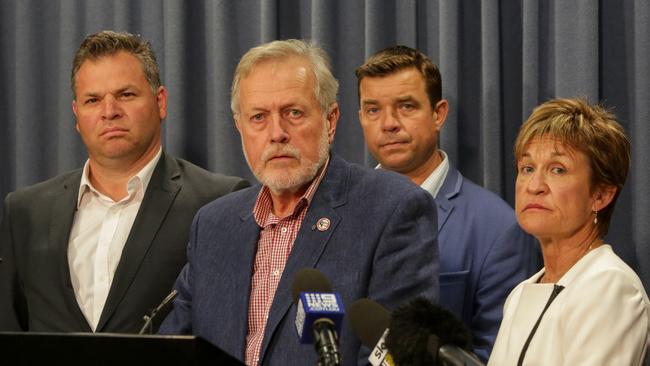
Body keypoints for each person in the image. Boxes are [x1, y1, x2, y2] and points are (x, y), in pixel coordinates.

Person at [159, 39, 439, 366]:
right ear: (239, 126)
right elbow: (172, 349)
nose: (276, 133)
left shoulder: (393, 208)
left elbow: (399, 358)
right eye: (259, 117)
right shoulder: (212, 225)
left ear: (330, 120)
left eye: (293, 113)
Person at [0, 30, 249, 333]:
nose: (109, 112)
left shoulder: (216, 202)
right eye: (93, 100)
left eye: (126, 95)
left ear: (160, 102)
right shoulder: (25, 211)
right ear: (76, 115)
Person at [355, 45, 540, 361]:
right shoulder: (340, 211)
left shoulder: (498, 228)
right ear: (361, 117)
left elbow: (496, 355)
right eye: (373, 110)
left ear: (438, 114)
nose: (388, 124)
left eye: (406, 106)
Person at [489, 98, 649, 365]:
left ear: (600, 195)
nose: (535, 185)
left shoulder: (609, 286)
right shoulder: (520, 294)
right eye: (527, 168)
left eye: (557, 170)